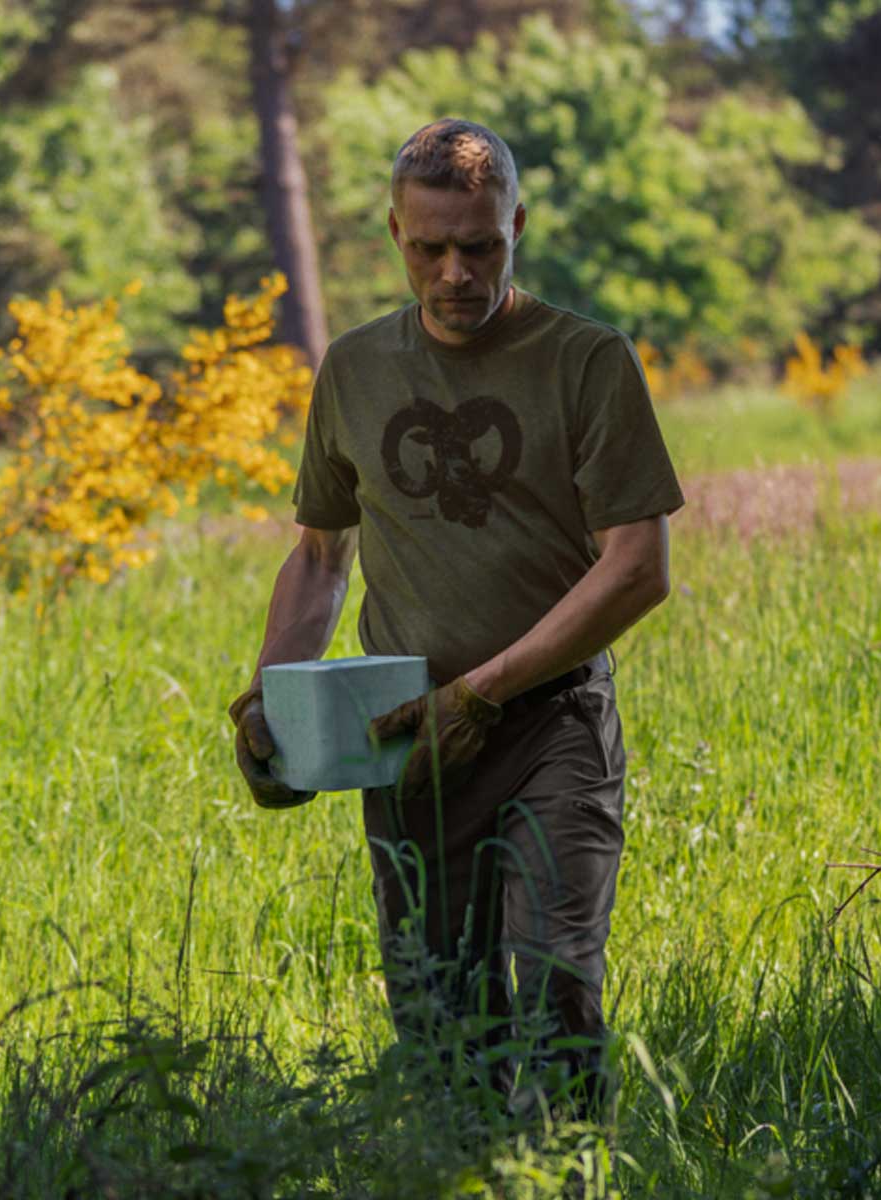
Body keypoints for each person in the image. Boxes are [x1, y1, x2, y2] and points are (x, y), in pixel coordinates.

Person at [229, 118, 684, 1116]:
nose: (454, 273)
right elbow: (319, 553)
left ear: (517, 225)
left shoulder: (586, 360)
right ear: (395, 233)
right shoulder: (353, 369)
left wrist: (483, 691)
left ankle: (566, 1176)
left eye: (479, 246)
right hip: (403, 739)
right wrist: (273, 694)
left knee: (554, 983)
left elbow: (638, 568)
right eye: (429, 248)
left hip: (551, 728)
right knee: (440, 1024)